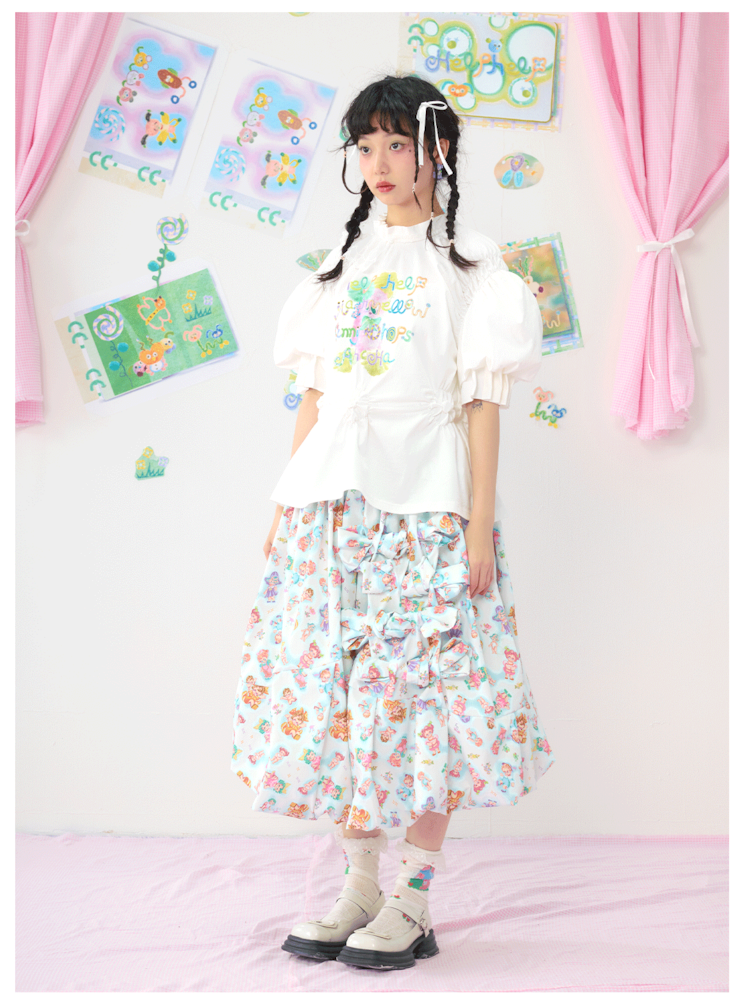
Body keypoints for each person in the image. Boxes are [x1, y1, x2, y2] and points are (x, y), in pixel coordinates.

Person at [231, 73, 556, 972]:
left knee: (426, 701)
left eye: (396, 144)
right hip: (329, 510)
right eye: (364, 146)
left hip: (426, 510)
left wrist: (479, 525)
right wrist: (284, 504)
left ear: (436, 148)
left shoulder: (474, 271)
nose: (378, 162)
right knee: (341, 697)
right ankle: (361, 885)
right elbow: (315, 396)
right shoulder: (340, 268)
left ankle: (413, 897)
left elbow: (481, 406)